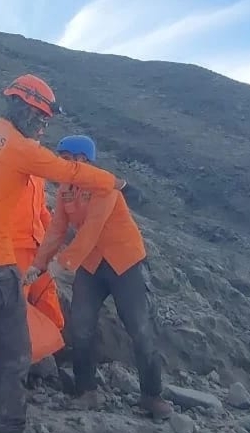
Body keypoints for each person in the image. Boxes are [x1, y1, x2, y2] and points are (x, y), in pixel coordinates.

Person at [0, 73, 129, 433]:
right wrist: (114, 182)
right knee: (14, 350)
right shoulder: (19, 148)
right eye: (43, 120)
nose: (43, 128)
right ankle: (8, 422)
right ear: (28, 109)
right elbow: (70, 171)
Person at [24, 135, 173, 420]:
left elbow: (92, 230)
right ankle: (86, 391)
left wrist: (62, 264)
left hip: (125, 262)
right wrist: (38, 264)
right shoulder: (65, 189)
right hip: (91, 266)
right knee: (80, 326)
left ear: (82, 160)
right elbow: (56, 230)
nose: (61, 163)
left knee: (140, 328)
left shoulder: (104, 185)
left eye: (66, 158)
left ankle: (152, 395)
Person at [12, 175, 64, 331]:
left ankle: (54, 335)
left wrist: (54, 240)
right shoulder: (6, 173)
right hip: (15, 248)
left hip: (39, 246)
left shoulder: (37, 176)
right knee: (15, 298)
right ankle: (3, 350)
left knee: (46, 291)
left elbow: (41, 210)